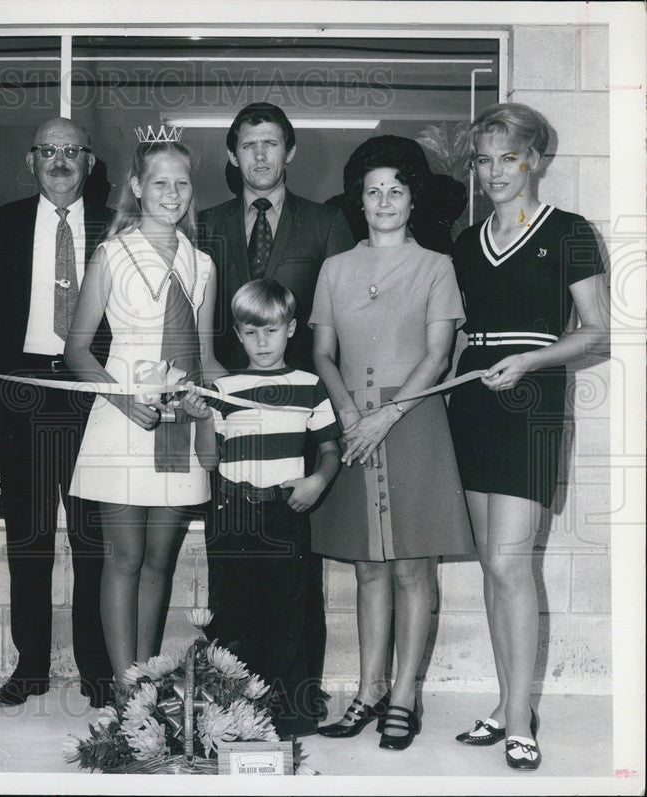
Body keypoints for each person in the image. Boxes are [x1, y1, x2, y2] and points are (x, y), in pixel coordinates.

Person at [446, 103, 609, 771]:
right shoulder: (464, 239)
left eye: (508, 157)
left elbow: (596, 329)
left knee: (512, 564)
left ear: (535, 160)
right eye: (483, 159)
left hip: (531, 397)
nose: (494, 171)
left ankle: (520, 719)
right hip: (471, 397)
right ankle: (508, 699)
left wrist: (532, 360)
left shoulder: (569, 231)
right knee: (493, 563)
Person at [309, 135, 474, 750]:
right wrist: (350, 408)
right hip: (353, 424)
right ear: (361, 199)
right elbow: (323, 352)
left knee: (411, 567)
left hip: (415, 427)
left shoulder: (436, 265)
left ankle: (404, 695)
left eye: (395, 191)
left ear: (412, 201)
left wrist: (389, 413)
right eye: (373, 191)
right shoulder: (336, 267)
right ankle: (367, 690)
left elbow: (438, 354)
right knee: (368, 568)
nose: (383, 201)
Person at [197, 102, 353, 716]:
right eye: (248, 144)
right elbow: (194, 320)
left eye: (272, 143)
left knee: (294, 577)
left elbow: (336, 326)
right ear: (233, 156)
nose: (261, 155)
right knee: (233, 580)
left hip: (301, 406)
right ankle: (230, 703)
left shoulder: (326, 224)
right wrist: (207, 394)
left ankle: (294, 697)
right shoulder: (204, 223)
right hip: (228, 410)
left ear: (289, 152)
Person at [64, 131, 222, 680]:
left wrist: (250, 399)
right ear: (137, 186)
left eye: (182, 183)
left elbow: (205, 358)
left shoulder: (202, 264)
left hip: (181, 422)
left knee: (161, 558)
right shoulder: (111, 254)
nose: (172, 193)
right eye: (160, 182)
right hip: (122, 415)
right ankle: (124, 690)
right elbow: (76, 350)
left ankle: (147, 681)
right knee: (124, 557)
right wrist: (124, 398)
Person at [0, 118, 114, 708]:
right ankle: (30, 666)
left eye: (72, 152)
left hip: (93, 392)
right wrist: (7, 384)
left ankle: (98, 669)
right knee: (27, 537)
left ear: (88, 162)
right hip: (24, 390)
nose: (60, 161)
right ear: (30, 161)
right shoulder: (1, 223)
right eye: (49, 151)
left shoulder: (116, 226)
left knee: (94, 538)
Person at [190, 279, 341, 738]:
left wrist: (317, 481)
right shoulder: (223, 387)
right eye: (251, 332)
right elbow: (209, 460)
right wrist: (200, 420)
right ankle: (232, 718)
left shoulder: (310, 386)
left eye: (271, 331)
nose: (262, 342)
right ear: (237, 334)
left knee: (291, 614)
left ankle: (291, 715)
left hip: (286, 511)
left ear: (291, 329)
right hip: (232, 513)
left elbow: (331, 450)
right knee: (233, 613)